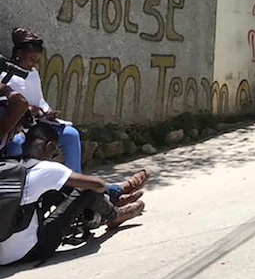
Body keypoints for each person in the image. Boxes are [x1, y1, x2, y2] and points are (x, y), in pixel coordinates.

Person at [0, 123, 147, 266]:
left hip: (2, 255)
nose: (54, 155)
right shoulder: (47, 169)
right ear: (49, 146)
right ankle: (114, 215)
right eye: (55, 151)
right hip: (31, 250)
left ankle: (109, 203)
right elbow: (98, 185)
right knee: (87, 191)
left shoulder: (12, 166)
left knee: (57, 190)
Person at [4, 28, 82, 172]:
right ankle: (18, 182)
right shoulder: (5, 75)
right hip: (16, 127)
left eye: (37, 60)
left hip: (38, 124)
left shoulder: (33, 74)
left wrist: (47, 111)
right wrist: (25, 111)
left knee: (71, 134)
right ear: (19, 54)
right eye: (32, 59)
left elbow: (39, 100)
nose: (34, 64)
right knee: (16, 142)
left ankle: (74, 182)